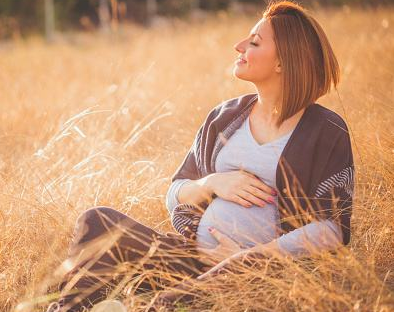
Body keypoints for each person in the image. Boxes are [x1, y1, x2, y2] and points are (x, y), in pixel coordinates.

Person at [45, 1, 354, 311]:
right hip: (194, 257)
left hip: (262, 273)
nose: (238, 46)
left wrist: (250, 257)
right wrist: (212, 182)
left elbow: (331, 229)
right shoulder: (224, 118)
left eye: (254, 42)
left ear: (283, 62)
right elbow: (174, 195)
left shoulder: (324, 130)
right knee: (97, 221)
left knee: (168, 303)